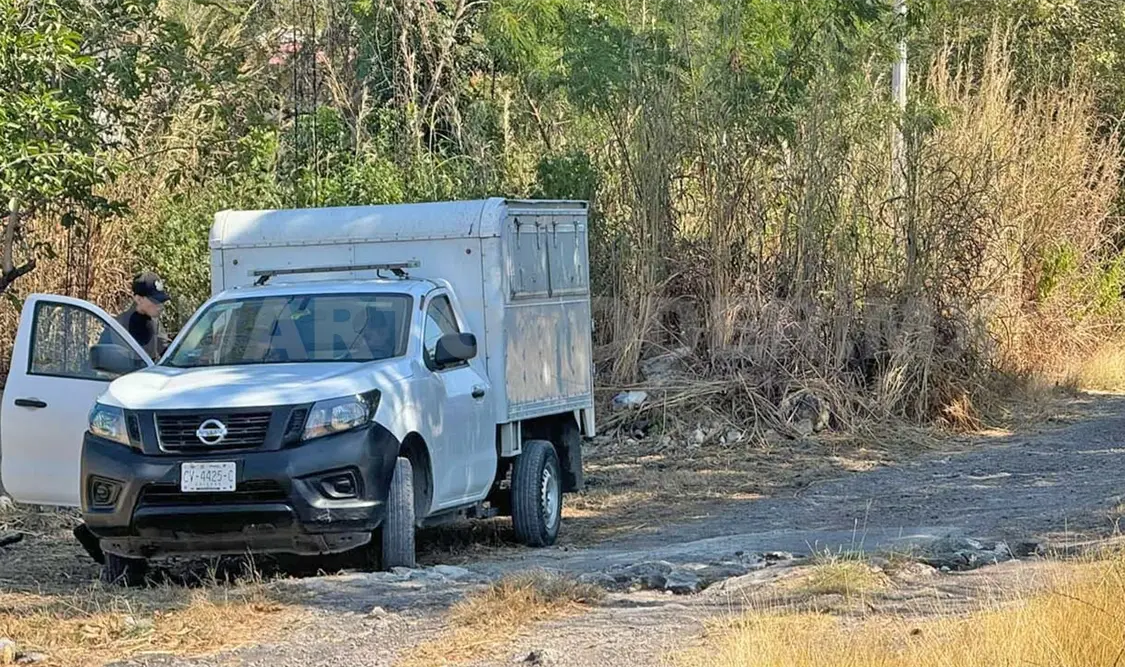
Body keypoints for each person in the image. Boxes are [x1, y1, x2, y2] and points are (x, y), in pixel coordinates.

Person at [111, 271, 171, 361]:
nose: (160, 306)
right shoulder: (118, 327)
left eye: (161, 301)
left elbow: (168, 352)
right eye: (155, 301)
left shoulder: (155, 323)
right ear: (138, 299)